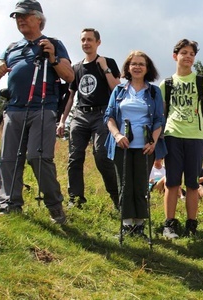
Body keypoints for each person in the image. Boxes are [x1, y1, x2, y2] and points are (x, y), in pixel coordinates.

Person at [0, 0, 74, 224]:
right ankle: (9, 206)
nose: (20, 20)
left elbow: (70, 76)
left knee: (38, 158)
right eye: (17, 17)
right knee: (7, 159)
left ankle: (55, 207)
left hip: (43, 108)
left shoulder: (53, 43)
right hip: (14, 109)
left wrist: (53, 58)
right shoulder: (11, 48)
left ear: (39, 19)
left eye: (24, 15)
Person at [159, 39, 203, 238]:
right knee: (172, 183)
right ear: (175, 56)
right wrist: (158, 140)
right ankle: (169, 224)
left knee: (193, 184)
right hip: (172, 136)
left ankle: (191, 224)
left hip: (195, 138)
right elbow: (161, 114)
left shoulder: (200, 81)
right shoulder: (166, 84)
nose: (188, 56)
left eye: (192, 54)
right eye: (184, 52)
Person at [104, 50, 166, 238]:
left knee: (140, 186)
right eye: (134, 64)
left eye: (141, 64)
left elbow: (158, 120)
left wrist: (153, 143)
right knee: (125, 185)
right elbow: (109, 116)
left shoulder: (154, 92)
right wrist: (116, 135)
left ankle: (138, 226)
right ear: (128, 68)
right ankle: (126, 225)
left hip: (145, 147)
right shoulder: (119, 90)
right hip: (121, 145)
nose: (137, 67)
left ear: (147, 69)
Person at [57, 28, 120, 209]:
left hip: (102, 114)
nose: (86, 43)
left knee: (101, 155)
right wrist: (62, 120)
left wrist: (105, 68)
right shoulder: (75, 68)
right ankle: (75, 199)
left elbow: (117, 88)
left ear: (98, 42)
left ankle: (117, 197)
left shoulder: (107, 62)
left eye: (90, 40)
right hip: (80, 114)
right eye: (83, 40)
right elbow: (70, 96)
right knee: (74, 156)